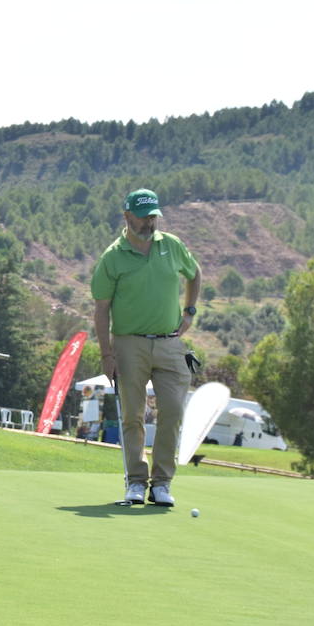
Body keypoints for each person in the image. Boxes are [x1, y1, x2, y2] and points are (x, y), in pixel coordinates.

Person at [91, 188, 202, 507]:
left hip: (170, 343)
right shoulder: (113, 257)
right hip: (129, 345)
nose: (150, 222)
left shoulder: (171, 245)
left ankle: (162, 483)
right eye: (143, 216)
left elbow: (195, 275)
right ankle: (136, 482)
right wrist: (106, 354)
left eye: (153, 215)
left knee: (173, 411)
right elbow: (102, 309)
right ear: (127, 216)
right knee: (132, 416)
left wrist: (189, 312)